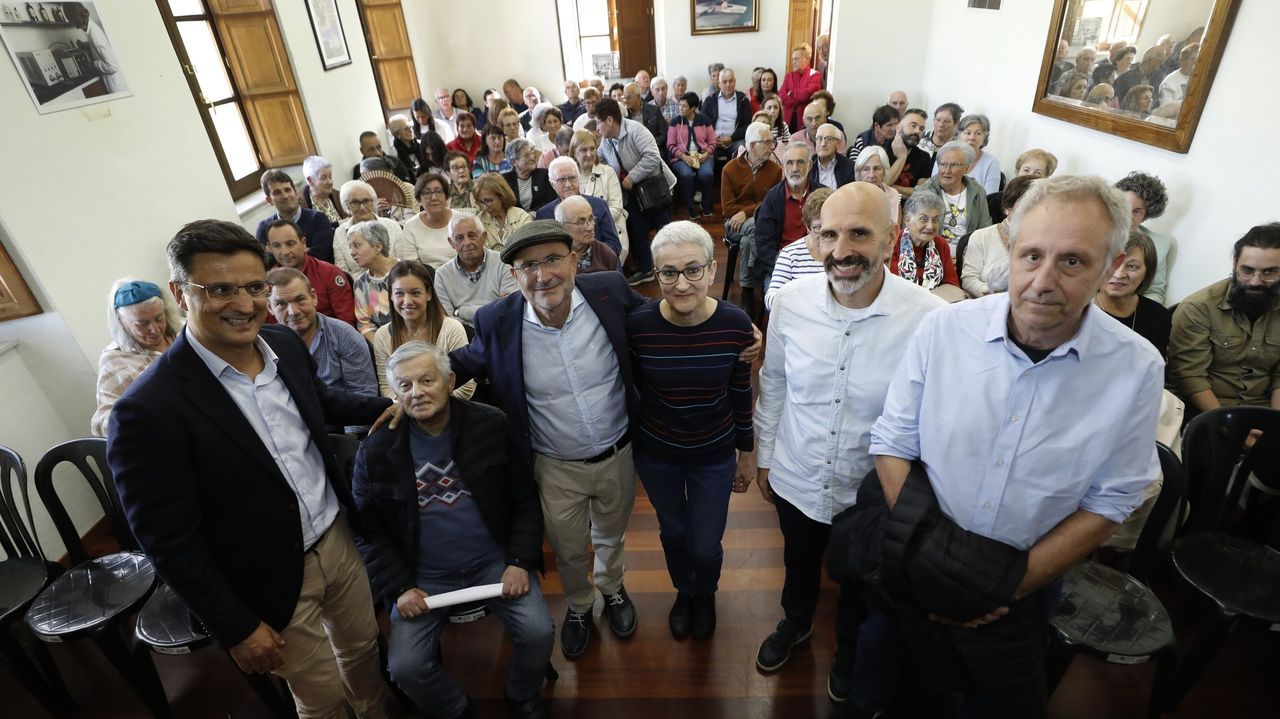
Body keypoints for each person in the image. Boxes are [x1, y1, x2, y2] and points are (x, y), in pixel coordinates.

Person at [850, 174, 1163, 719]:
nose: (1042, 281)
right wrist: (937, 562)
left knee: (995, 698)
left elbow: (1112, 499)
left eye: (1072, 262)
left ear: (1110, 267)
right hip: (916, 552)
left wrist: (1004, 588)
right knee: (880, 667)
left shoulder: (1136, 369)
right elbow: (893, 442)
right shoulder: (944, 330)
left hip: (1024, 579)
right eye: (1032, 255)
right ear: (1010, 251)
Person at [108, 220, 395, 719]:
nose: (243, 304)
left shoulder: (283, 344)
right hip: (267, 576)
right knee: (321, 696)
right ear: (180, 293)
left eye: (253, 287)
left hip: (336, 538)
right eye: (219, 289)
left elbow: (318, 401)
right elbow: (166, 538)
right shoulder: (147, 410)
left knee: (364, 651)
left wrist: (383, 407)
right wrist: (235, 625)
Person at [754, 182, 946, 693]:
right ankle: (796, 622)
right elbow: (773, 382)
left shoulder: (928, 319)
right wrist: (766, 456)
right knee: (798, 563)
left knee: (861, 583)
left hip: (870, 492)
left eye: (859, 234)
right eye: (829, 234)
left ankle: (848, 650)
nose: (841, 251)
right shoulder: (790, 304)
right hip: (797, 472)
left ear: (890, 240)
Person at [448, 220, 647, 660]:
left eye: (554, 259)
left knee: (611, 536)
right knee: (569, 548)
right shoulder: (496, 321)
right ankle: (579, 605)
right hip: (554, 465)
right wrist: (408, 391)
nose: (543, 276)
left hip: (618, 451)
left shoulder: (610, 292)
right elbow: (458, 364)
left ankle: (612, 588)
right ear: (514, 276)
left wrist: (726, 326)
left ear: (575, 260)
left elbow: (658, 323)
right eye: (528, 266)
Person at [352, 341, 554, 719]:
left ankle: (522, 692)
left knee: (539, 632)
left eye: (427, 380)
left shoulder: (491, 423)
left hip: (493, 563)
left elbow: (525, 498)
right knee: (406, 668)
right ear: (394, 393)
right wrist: (398, 587)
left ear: (450, 380)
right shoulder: (376, 448)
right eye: (405, 386)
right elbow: (368, 529)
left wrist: (518, 560)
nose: (417, 392)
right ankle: (455, 708)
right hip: (422, 577)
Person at [627, 221, 754, 640]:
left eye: (693, 270)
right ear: (656, 273)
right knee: (673, 530)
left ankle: (707, 592)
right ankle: (685, 589)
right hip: (658, 452)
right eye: (668, 272)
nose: (681, 284)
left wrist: (747, 452)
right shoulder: (639, 325)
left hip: (713, 454)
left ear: (712, 271)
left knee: (705, 542)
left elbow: (740, 391)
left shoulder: (736, 325)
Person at [1168, 223, 1280, 414]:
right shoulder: (1198, 308)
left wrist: (1274, 425)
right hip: (1205, 410)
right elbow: (1190, 377)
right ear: (1235, 263)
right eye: (1247, 270)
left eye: (1269, 272)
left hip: (1264, 407)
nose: (1255, 281)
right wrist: (1229, 426)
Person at [266, 267, 377, 435]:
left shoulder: (345, 336)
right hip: (291, 433)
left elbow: (363, 396)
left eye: (300, 300)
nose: (293, 311)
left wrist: (349, 446)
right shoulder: (264, 346)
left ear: (314, 297)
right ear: (269, 307)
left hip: (341, 431)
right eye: (281, 304)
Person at [595, 97, 676, 285]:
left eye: (598, 123)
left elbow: (653, 157)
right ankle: (647, 270)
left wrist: (631, 177)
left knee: (666, 229)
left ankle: (674, 265)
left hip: (653, 188)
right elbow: (601, 160)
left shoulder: (635, 130)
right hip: (632, 193)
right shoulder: (606, 141)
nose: (597, 128)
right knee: (639, 231)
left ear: (609, 120)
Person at [91, 279, 181, 437]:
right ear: (121, 322)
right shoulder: (116, 359)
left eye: (159, 318)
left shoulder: (186, 334)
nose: (154, 329)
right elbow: (102, 424)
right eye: (142, 324)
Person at [371, 261, 472, 399]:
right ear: (391, 296)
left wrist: (431, 407)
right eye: (399, 293)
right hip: (406, 413)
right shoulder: (382, 335)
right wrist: (410, 409)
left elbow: (467, 386)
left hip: (450, 411)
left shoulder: (451, 329)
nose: (407, 301)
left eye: (415, 293)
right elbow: (387, 388)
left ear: (429, 294)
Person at [721, 122, 783, 314]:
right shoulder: (730, 169)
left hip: (759, 222)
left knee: (749, 241)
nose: (772, 146)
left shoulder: (775, 170)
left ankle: (747, 291)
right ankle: (766, 271)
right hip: (733, 223)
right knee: (754, 228)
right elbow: (728, 208)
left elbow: (769, 203)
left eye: (772, 142)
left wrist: (747, 212)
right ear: (752, 145)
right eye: (767, 142)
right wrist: (748, 213)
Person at [1094, 230, 1171, 357]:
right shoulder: (1076, 312)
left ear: (1148, 272)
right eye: (1112, 264)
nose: (1119, 274)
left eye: (1132, 266)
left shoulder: (1158, 316)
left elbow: (1156, 372)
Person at [433, 212, 519, 326]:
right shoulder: (442, 275)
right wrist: (492, 308)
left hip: (501, 332)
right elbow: (447, 322)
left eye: (472, 235)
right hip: (462, 337)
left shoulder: (504, 263)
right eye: (459, 238)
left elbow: (508, 310)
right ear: (451, 243)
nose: (467, 242)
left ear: (484, 237)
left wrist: (461, 311)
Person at [264, 219, 355, 325]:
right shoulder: (266, 285)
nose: (285, 252)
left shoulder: (329, 273)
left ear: (303, 243)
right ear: (269, 248)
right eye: (276, 246)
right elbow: (270, 329)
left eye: (290, 244)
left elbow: (347, 322)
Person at [961, 175, 1036, 297]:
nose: (1031, 213)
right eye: (1025, 206)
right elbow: (969, 280)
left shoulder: (1046, 242)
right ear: (1007, 207)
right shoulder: (981, 236)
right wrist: (995, 294)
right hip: (988, 302)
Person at [754, 143, 815, 290]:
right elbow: (764, 243)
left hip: (815, 265)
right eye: (789, 163)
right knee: (777, 304)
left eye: (800, 162)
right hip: (781, 264)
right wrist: (783, 269)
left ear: (810, 165)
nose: (794, 168)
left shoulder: (822, 195)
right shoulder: (772, 198)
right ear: (783, 166)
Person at [535, 157, 622, 257]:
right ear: (552, 184)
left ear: (578, 178)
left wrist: (587, 258)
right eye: (562, 180)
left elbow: (614, 244)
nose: (568, 184)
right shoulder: (544, 214)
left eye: (572, 178)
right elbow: (544, 252)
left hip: (601, 266)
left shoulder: (598, 205)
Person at [919, 140, 994, 254]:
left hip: (966, 256)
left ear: (966, 168)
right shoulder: (924, 191)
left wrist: (964, 257)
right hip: (931, 254)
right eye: (943, 164)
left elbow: (984, 231)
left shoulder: (977, 193)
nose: (947, 171)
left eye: (954, 165)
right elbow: (915, 231)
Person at [1115, 171, 1175, 303]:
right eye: (1123, 207)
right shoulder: (1092, 232)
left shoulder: (1159, 245)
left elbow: (1155, 292)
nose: (1127, 216)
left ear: (1146, 216)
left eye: (1137, 211)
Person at [764, 188, 830, 310]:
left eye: (830, 226)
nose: (825, 234)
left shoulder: (845, 253)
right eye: (818, 228)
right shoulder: (790, 254)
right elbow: (771, 298)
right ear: (808, 228)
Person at [571, 130, 630, 261]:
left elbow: (616, 208)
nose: (589, 154)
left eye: (592, 149)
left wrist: (590, 224)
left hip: (608, 234)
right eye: (583, 150)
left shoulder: (608, 172)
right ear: (574, 152)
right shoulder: (569, 177)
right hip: (577, 240)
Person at [255, 169, 336, 264]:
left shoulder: (318, 219)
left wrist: (279, 255)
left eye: (287, 190)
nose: (285, 196)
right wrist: (303, 252)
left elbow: (320, 256)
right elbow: (265, 263)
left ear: (296, 194)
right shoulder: (264, 228)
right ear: (269, 200)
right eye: (277, 192)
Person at [889, 191, 961, 294]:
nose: (930, 226)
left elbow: (952, 283)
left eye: (935, 220)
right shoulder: (892, 242)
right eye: (924, 219)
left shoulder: (940, 244)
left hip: (935, 303)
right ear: (907, 220)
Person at [332, 180, 403, 277]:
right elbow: (342, 273)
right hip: (356, 287)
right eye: (355, 202)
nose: (362, 207)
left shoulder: (392, 226)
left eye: (366, 201)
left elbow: (403, 263)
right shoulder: (340, 232)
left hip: (394, 281)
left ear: (373, 202)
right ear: (347, 206)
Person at [667, 91, 717, 221]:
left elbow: (713, 142)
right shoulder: (675, 121)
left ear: (693, 108)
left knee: (707, 174)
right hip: (680, 157)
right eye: (680, 105)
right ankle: (690, 207)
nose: (680, 109)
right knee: (686, 174)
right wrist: (683, 156)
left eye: (684, 106)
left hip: (702, 155)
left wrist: (707, 153)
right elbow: (670, 145)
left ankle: (706, 204)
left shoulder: (704, 120)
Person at [347, 220, 399, 340]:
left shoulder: (407, 271)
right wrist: (383, 349)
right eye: (350, 246)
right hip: (384, 344)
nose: (351, 252)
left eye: (357, 245)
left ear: (377, 247)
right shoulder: (360, 283)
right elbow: (365, 325)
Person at [932, 114, 1001, 194]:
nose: (972, 138)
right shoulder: (944, 155)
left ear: (984, 138)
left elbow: (989, 197)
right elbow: (933, 187)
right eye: (968, 133)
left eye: (978, 133)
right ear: (958, 135)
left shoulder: (992, 162)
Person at [400, 173, 458, 268]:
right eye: (427, 193)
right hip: (427, 279)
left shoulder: (460, 220)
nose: (434, 198)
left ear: (446, 196)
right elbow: (412, 266)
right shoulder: (411, 227)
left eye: (438, 191)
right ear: (419, 200)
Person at [556, 195, 621, 274]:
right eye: (581, 222)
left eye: (591, 219)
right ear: (563, 226)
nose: (590, 227)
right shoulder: (553, 255)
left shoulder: (607, 255)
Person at [67, 3, 123, 92]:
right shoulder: (91, 27)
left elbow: (112, 66)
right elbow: (99, 48)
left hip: (116, 85)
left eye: (71, 20)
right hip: (111, 80)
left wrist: (93, 64)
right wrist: (86, 45)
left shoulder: (95, 35)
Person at [700, 68, 752, 161]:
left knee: (742, 150)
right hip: (713, 142)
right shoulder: (709, 100)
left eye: (731, 81)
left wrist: (731, 138)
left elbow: (747, 125)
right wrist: (712, 138)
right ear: (719, 84)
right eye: (724, 82)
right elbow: (701, 124)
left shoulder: (743, 100)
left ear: (735, 82)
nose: (728, 85)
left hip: (735, 141)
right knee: (706, 165)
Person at [473, 172, 534, 250]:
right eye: (480, 202)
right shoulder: (479, 221)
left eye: (488, 201)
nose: (484, 207)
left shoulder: (522, 217)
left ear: (502, 196)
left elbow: (528, 248)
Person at [886, 108, 935, 196]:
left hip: (911, 208)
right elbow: (879, 185)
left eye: (921, 128)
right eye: (913, 125)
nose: (917, 131)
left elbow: (921, 193)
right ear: (898, 128)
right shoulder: (881, 149)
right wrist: (902, 157)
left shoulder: (924, 157)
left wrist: (888, 186)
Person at [502, 139, 556, 212]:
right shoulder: (505, 180)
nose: (532, 158)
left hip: (542, 219)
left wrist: (534, 214)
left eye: (531, 153)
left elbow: (551, 201)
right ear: (514, 162)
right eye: (527, 155)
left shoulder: (544, 175)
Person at [852, 146, 901, 224]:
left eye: (877, 169)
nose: (871, 175)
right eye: (866, 169)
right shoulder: (848, 195)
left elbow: (897, 231)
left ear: (885, 171)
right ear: (859, 172)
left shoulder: (894, 195)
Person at [780, 43, 822, 131]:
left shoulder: (815, 75)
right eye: (792, 59)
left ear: (807, 59)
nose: (793, 62)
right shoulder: (789, 76)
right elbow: (782, 96)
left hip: (806, 120)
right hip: (788, 120)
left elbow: (807, 95)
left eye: (796, 59)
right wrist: (798, 98)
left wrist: (791, 93)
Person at [301, 156, 347, 225]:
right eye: (323, 178)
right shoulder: (301, 203)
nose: (329, 182)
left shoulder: (338, 195)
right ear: (310, 180)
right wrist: (338, 224)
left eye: (330, 177)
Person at [809, 123, 855, 190]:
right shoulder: (807, 165)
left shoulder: (849, 167)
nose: (823, 144)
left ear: (838, 143)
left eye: (828, 139)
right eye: (819, 138)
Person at [623, 83, 668, 150]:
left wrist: (649, 144)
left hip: (654, 149)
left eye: (628, 98)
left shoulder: (654, 110)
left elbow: (663, 135)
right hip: (633, 152)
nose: (625, 101)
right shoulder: (624, 115)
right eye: (624, 98)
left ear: (638, 97)